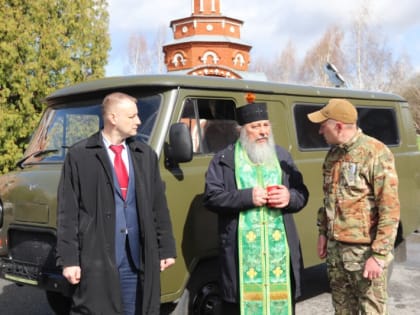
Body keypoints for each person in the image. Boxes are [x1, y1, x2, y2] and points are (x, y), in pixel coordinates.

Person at [56, 92, 176, 315]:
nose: (139, 121)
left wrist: (166, 247)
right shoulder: (80, 156)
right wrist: (69, 260)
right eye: (132, 117)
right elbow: (67, 213)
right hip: (97, 260)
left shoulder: (145, 155)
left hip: (136, 259)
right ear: (113, 117)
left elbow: (158, 205)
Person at [204, 102, 309, 314]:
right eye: (255, 126)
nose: (263, 131)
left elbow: (301, 194)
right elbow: (212, 198)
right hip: (240, 259)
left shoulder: (282, 157)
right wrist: (246, 197)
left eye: (265, 125)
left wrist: (289, 197)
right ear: (241, 130)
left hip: (279, 258)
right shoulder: (224, 160)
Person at [307, 98, 400, 315]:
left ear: (338, 126)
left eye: (323, 125)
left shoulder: (375, 152)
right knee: (342, 311)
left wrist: (378, 255)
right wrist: (323, 232)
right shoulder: (333, 155)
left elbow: (390, 208)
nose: (320, 131)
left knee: (371, 311)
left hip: (363, 253)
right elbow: (329, 199)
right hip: (336, 252)